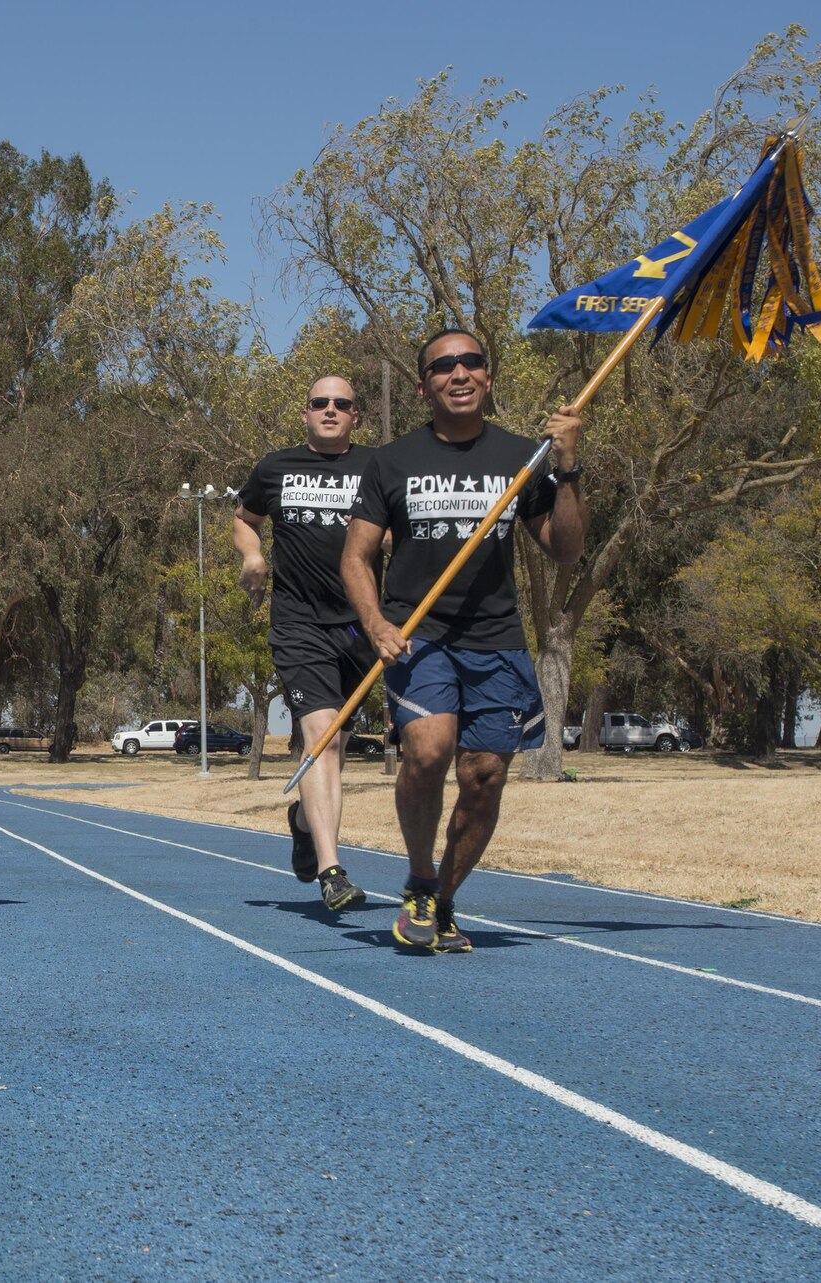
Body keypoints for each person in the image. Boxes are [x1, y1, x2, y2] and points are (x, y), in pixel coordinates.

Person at [343, 329, 585, 953]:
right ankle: (420, 880)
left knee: (484, 777)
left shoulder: (521, 457)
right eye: (443, 366)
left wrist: (567, 469)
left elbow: (566, 550)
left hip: (496, 640)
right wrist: (375, 623)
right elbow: (356, 558)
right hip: (416, 634)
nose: (459, 373)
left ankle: (443, 901)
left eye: (471, 362)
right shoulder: (389, 461)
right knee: (428, 750)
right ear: (424, 385)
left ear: (487, 376)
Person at [233, 378, 376, 913]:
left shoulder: (376, 468)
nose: (331, 410)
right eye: (321, 403)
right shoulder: (275, 467)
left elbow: (399, 533)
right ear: (306, 413)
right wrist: (252, 557)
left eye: (342, 404)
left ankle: (301, 819)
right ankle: (331, 871)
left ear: (355, 417)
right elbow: (244, 520)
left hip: (360, 626)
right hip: (299, 624)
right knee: (324, 739)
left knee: (347, 744)